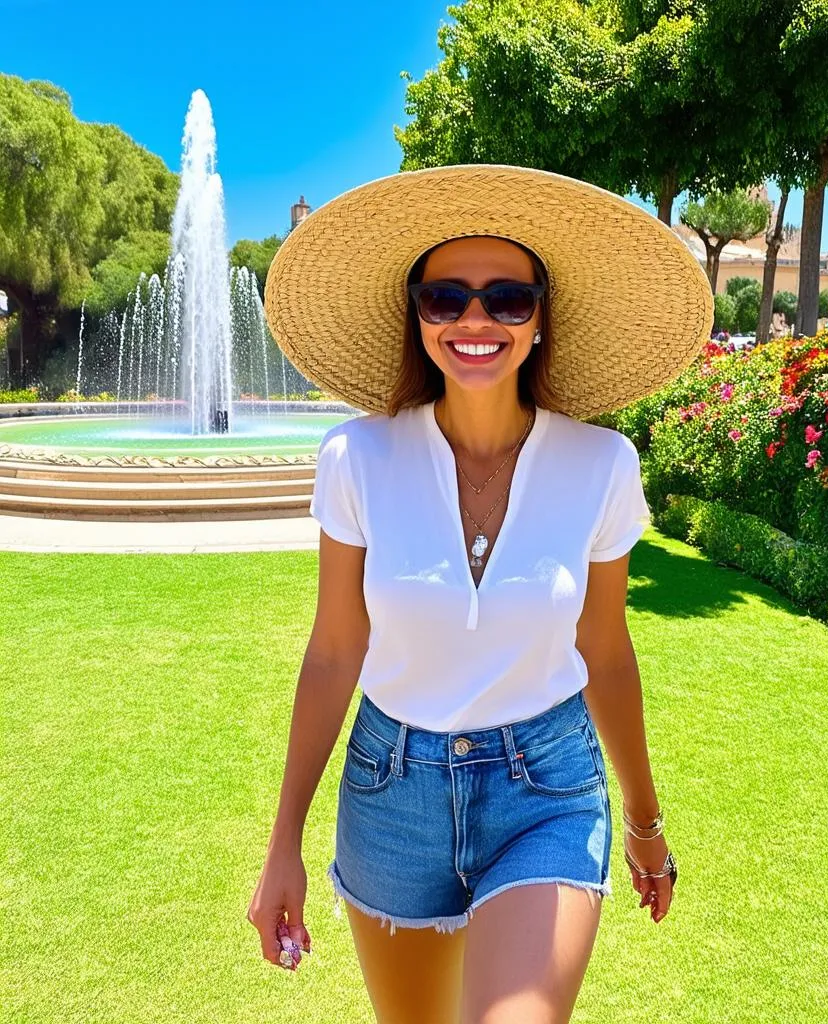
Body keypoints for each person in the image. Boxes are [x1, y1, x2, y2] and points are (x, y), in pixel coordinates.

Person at [248, 164, 713, 1023]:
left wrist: (645, 823)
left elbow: (605, 653)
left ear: (541, 319)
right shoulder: (356, 458)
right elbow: (334, 650)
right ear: (416, 314)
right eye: (445, 297)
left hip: (547, 789)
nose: (475, 320)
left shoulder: (602, 464)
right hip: (391, 793)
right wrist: (283, 845)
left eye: (508, 298)